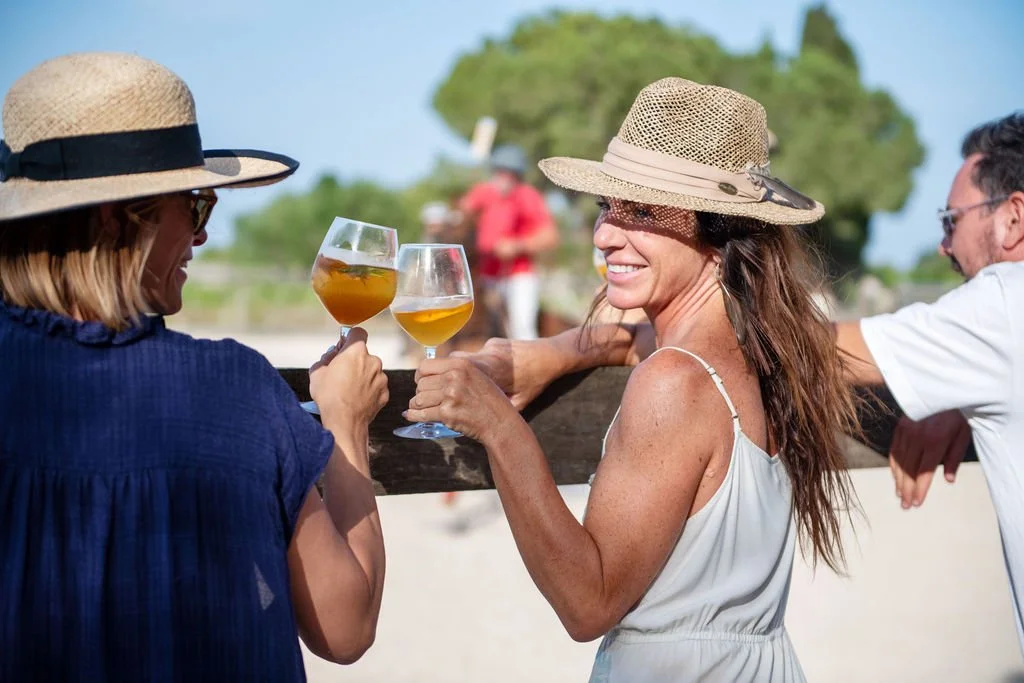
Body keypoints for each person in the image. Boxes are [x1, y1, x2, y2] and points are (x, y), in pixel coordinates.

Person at [405, 77, 859, 681]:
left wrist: (497, 423)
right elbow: (643, 340)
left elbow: (588, 603)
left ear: (716, 231)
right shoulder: (762, 347)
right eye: (605, 207)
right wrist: (562, 350)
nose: (605, 235)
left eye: (641, 212)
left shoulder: (672, 379)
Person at [0, 52, 388, 682]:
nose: (203, 235)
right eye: (197, 205)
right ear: (118, 218)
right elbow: (345, 629)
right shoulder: (229, 390)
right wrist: (346, 427)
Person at [833, 111, 1024, 653]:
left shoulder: (1005, 299)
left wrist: (624, 341)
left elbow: (815, 351)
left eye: (950, 221)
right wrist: (962, 401)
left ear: (1013, 217)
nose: (944, 246)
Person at [459, 144, 560, 340]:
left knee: (521, 329)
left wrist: (518, 245)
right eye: (499, 171)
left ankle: (529, 367)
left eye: (509, 173)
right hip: (484, 276)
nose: (503, 177)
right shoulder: (483, 191)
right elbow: (463, 212)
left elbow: (550, 236)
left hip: (518, 276)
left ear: (517, 175)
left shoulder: (527, 195)